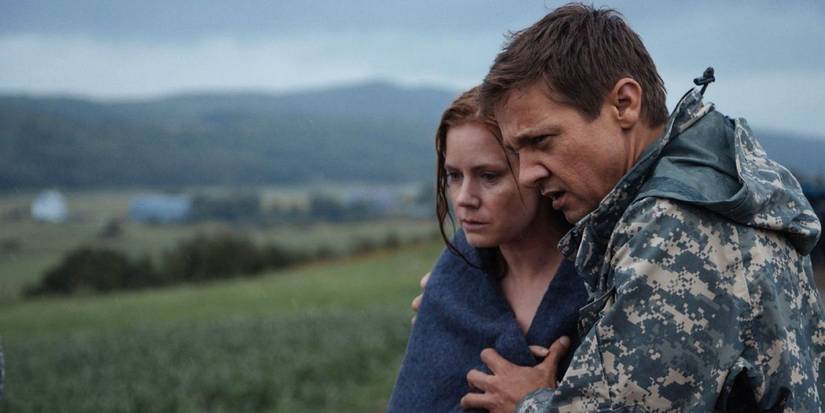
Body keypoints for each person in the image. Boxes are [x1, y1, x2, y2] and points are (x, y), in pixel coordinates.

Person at [454, 3, 825, 412]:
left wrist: (527, 403)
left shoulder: (678, 227)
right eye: (515, 152)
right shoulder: (706, 183)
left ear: (624, 104)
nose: (526, 175)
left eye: (541, 141)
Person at [387, 87, 588, 412]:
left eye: (489, 176)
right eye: (454, 176)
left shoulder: (602, 283)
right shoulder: (450, 288)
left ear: (534, 171)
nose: (465, 197)